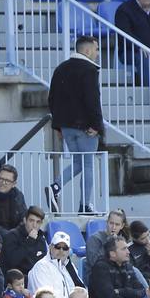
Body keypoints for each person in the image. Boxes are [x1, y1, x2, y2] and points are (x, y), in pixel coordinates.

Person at [46, 35, 104, 215]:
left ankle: (55, 186)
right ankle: (85, 206)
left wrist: (57, 126)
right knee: (87, 165)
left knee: (79, 163)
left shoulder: (60, 68)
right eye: (96, 49)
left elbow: (52, 98)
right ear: (87, 50)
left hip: (66, 127)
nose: (97, 53)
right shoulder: (89, 69)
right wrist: (97, 125)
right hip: (85, 127)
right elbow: (92, 100)